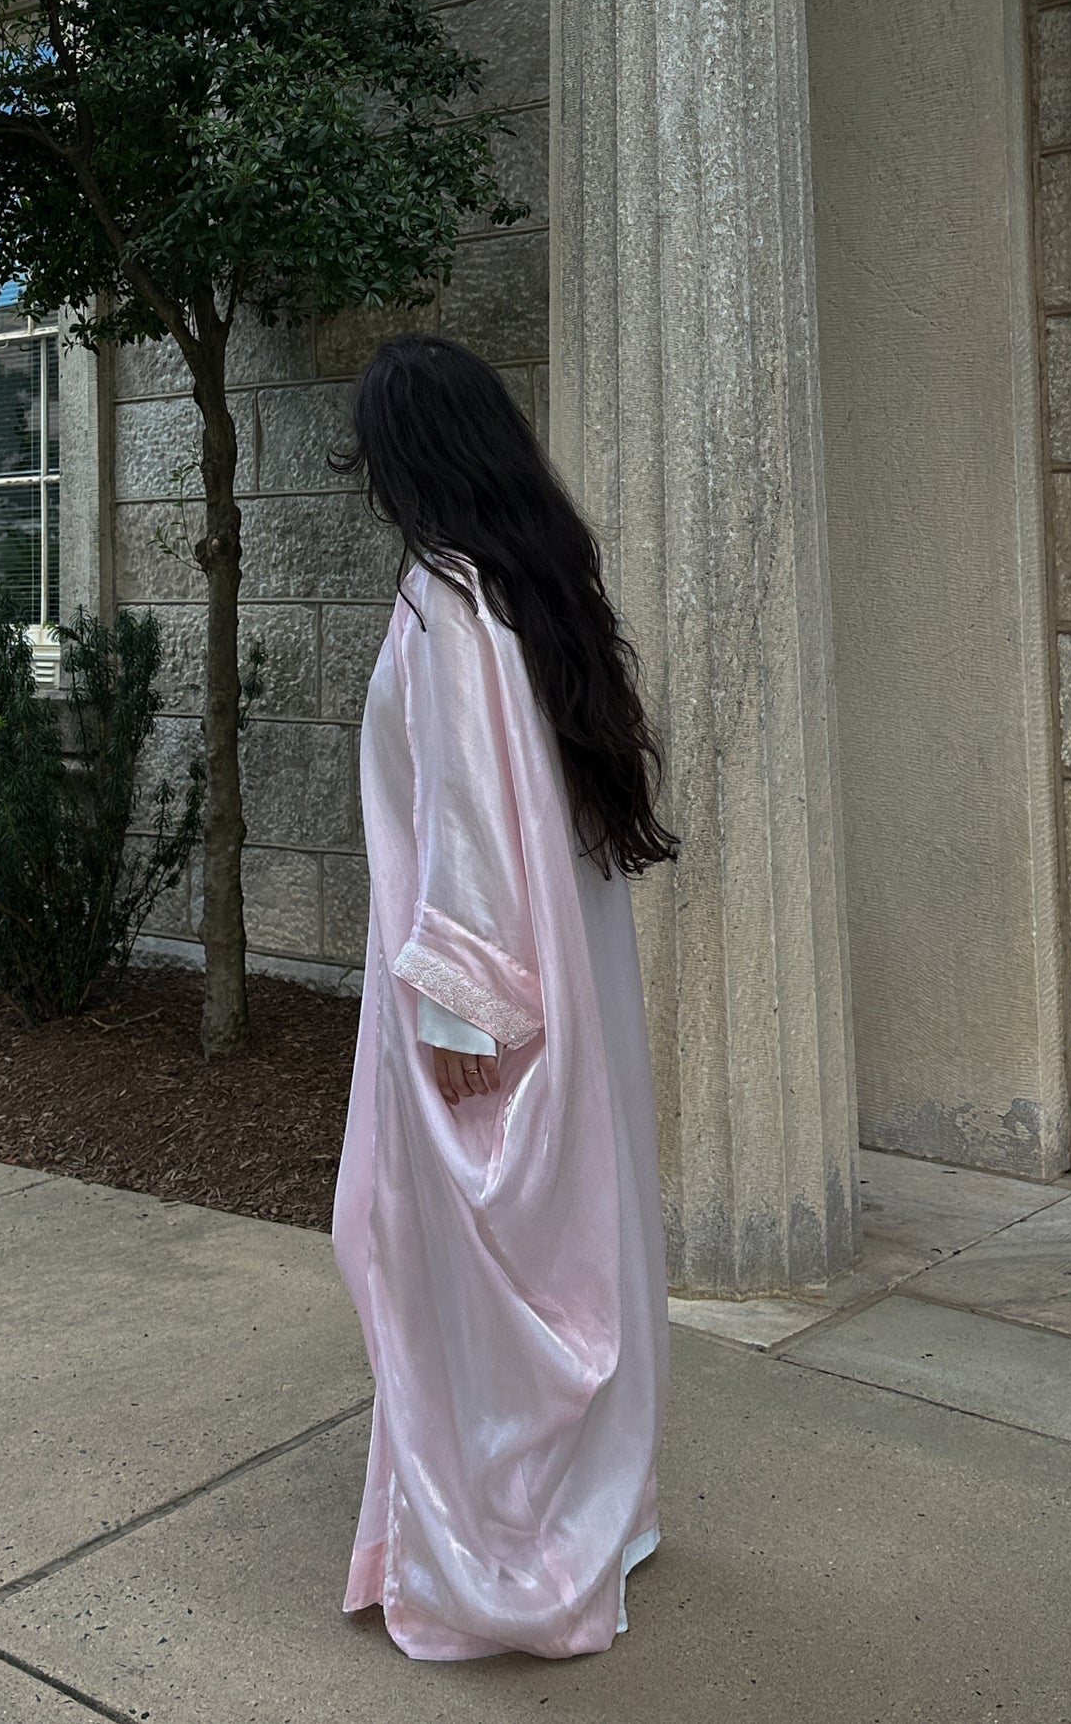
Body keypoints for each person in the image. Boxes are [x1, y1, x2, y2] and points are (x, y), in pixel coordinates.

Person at [331, 333, 674, 1662]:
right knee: (566, 1247)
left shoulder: (444, 599)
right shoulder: (532, 592)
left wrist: (463, 1011)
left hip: (480, 999)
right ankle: (591, 1506)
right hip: (567, 982)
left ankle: (498, 1550)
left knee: (432, 1261)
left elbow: (470, 816)